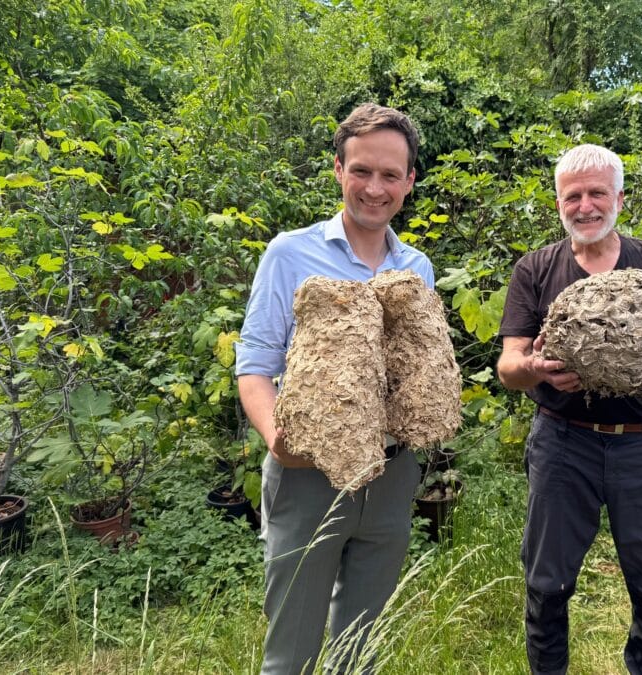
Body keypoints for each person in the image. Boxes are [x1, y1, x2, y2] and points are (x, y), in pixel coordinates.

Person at [497, 143, 642, 675]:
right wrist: (535, 369)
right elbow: (508, 364)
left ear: (619, 197)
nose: (586, 205)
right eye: (573, 196)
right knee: (547, 583)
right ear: (559, 204)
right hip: (562, 440)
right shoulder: (536, 270)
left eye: (597, 192)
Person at [236, 103, 432, 675]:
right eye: (362, 171)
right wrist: (276, 439)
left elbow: (418, 376)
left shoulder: (416, 266)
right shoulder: (291, 253)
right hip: (307, 473)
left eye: (390, 175)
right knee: (292, 644)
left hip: (392, 474)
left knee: (360, 642)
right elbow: (254, 363)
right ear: (339, 170)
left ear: (409, 181)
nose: (375, 188)